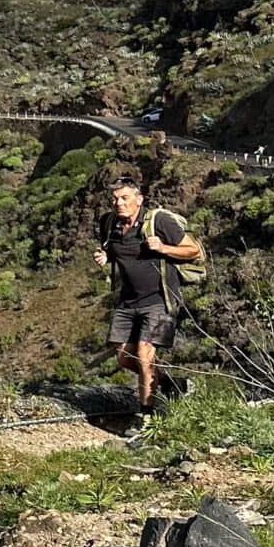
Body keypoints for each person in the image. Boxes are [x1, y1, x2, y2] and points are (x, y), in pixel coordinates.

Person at [95, 175, 201, 411]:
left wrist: (163, 247)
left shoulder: (158, 221)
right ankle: (172, 384)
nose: (119, 203)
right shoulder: (109, 223)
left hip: (161, 300)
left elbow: (193, 250)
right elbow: (115, 248)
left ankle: (147, 416)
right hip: (128, 301)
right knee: (124, 358)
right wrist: (106, 256)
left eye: (125, 198)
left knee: (144, 355)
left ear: (139, 199)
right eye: (115, 199)